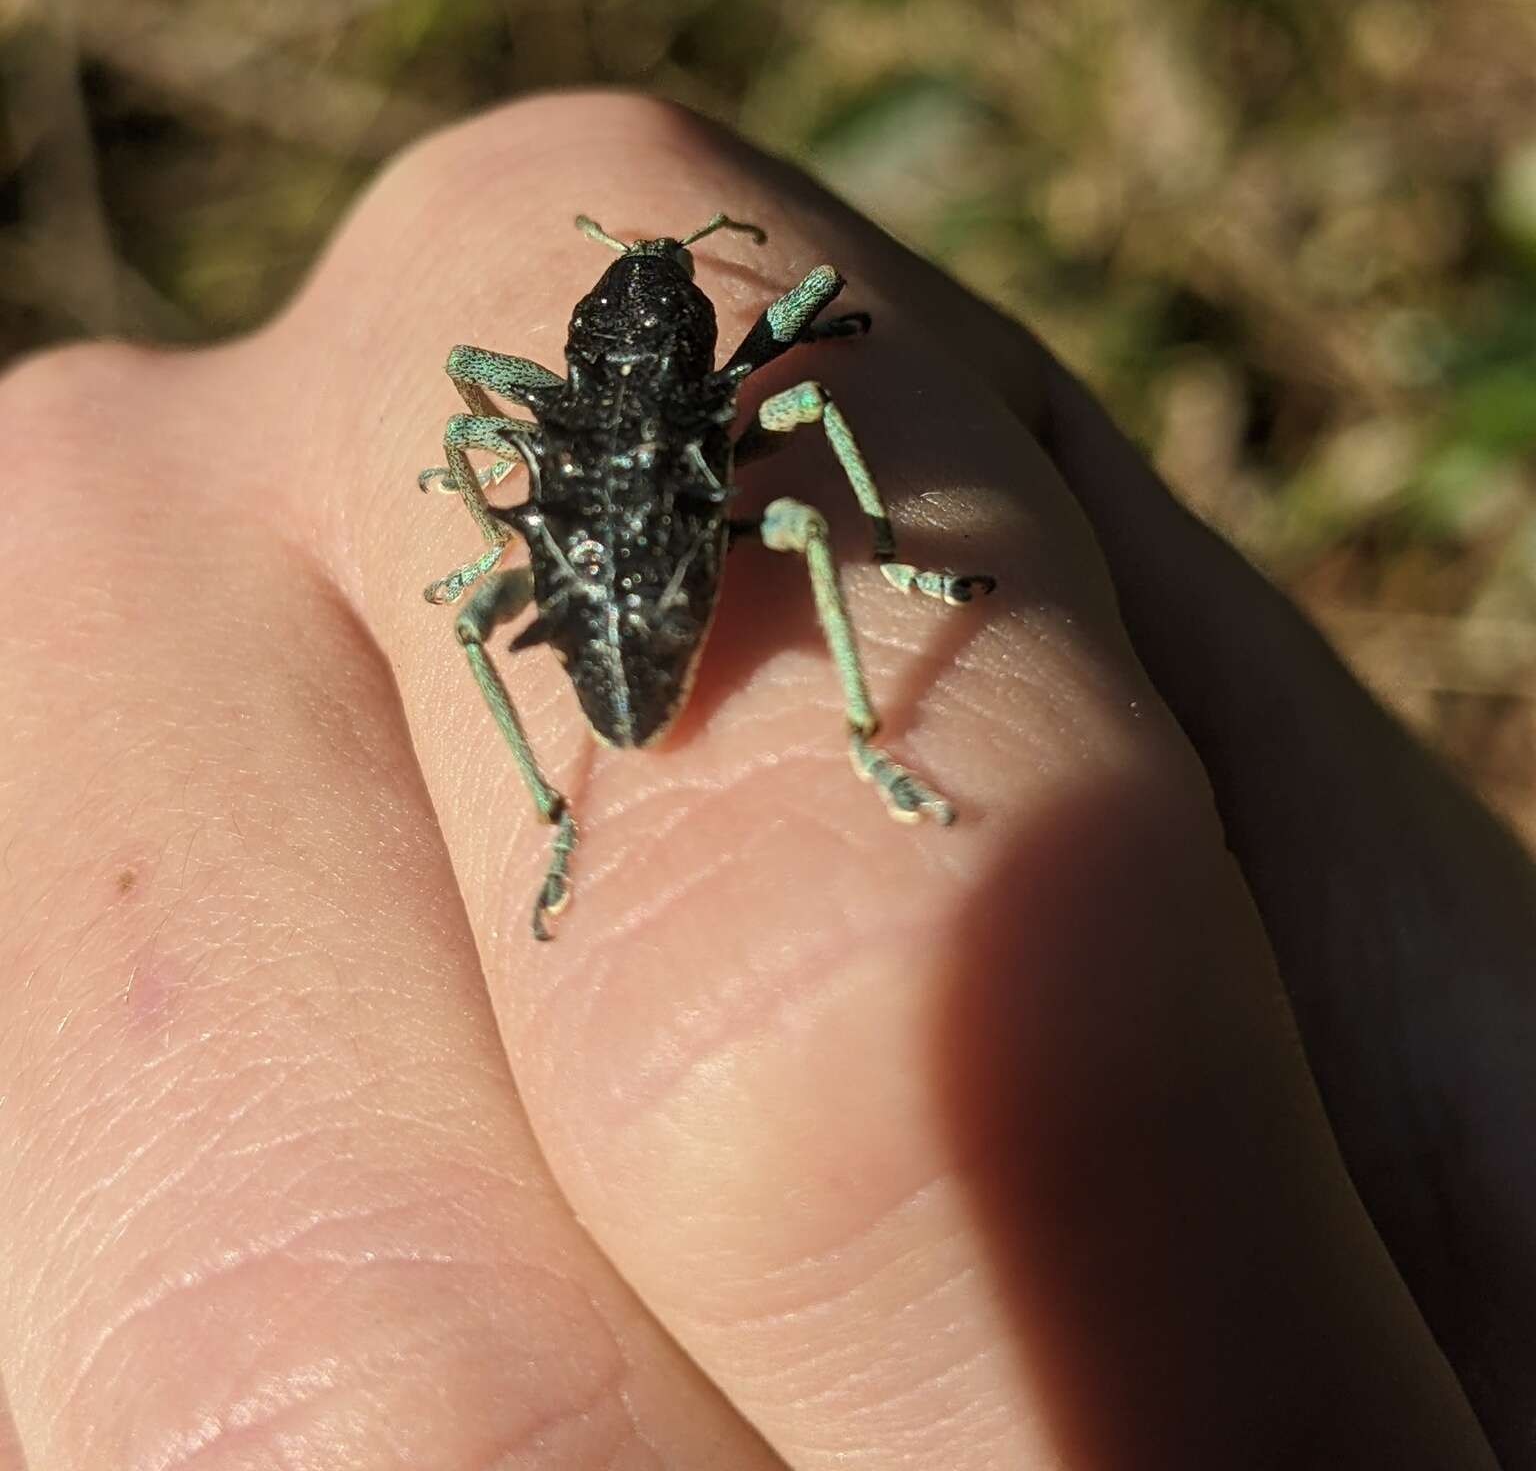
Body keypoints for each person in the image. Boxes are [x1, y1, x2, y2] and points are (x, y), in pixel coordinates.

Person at [0, 92, 1524, 1470]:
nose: (657, 285)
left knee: (514, 607)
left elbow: (495, 406)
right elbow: (763, 361)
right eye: (644, 284)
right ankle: (737, 736)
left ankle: (598, 798)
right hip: (647, 550)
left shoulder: (565, 393)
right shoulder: (718, 379)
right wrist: (808, 348)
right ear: (639, 340)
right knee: (783, 514)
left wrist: (498, 495)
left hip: (604, 541)